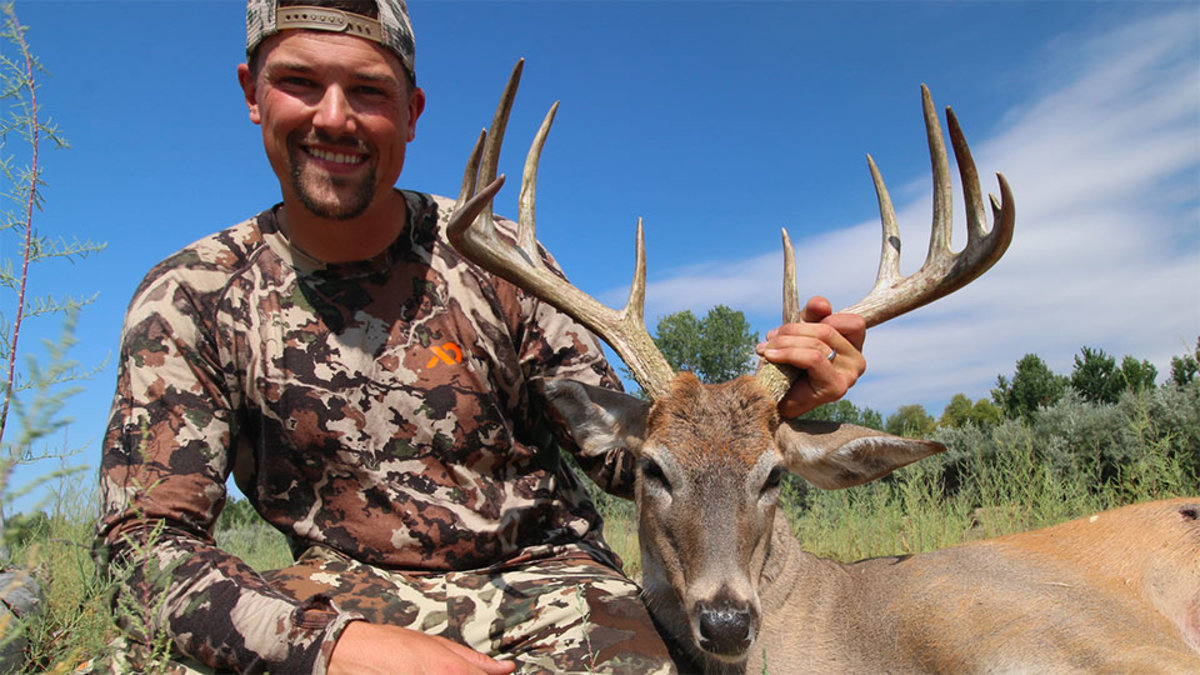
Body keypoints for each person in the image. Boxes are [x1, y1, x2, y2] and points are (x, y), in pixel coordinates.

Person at [94, 1, 868, 673]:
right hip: (336, 603)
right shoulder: (191, 298)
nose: (334, 116)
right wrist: (325, 646)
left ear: (412, 110)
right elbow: (142, 545)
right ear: (252, 94)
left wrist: (768, 407)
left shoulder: (498, 263)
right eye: (300, 81)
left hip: (552, 591)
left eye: (368, 90)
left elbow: (622, 451)